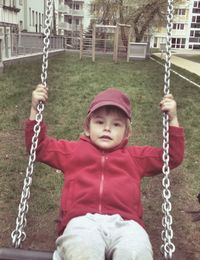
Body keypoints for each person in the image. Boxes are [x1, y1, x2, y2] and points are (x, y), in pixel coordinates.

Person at [25, 85, 184, 260]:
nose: (107, 128)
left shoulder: (135, 157)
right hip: (82, 221)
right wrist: (34, 110)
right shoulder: (72, 152)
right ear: (87, 127)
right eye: (99, 122)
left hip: (127, 224)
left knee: (136, 251)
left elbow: (172, 157)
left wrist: (173, 119)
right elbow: (38, 147)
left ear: (126, 133)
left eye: (116, 124)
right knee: (84, 248)